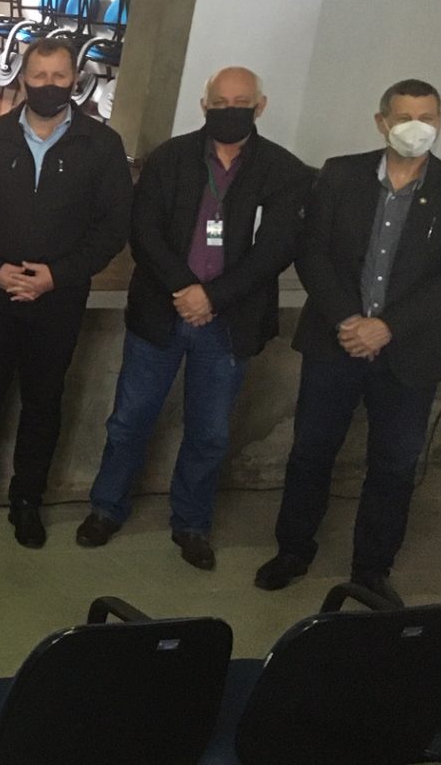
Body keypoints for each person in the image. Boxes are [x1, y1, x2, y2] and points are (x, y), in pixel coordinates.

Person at [256, 79, 441, 602]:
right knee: (311, 452)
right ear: (382, 122)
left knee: (394, 466)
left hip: (410, 351)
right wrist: (348, 319)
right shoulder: (340, 175)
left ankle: (372, 568)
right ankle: (292, 550)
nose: (416, 127)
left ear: (440, 121)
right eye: (404, 117)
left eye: (427, 117)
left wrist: (387, 326)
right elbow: (312, 251)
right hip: (334, 341)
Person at [76, 68, 311, 568]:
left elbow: (275, 250)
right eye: (220, 102)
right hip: (162, 310)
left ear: (261, 106)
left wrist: (213, 297)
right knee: (129, 420)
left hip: (229, 323)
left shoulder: (284, 170)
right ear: (204, 106)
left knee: (210, 433)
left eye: (241, 101)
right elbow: (145, 231)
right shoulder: (169, 158)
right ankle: (106, 508)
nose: (230, 110)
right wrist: (184, 289)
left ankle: (191, 522)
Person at [0, 38, 132, 547]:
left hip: (59, 298)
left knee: (44, 402)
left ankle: (27, 500)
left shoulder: (101, 145)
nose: (49, 84)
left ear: (76, 80)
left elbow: (112, 228)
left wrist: (58, 275)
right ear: (23, 78)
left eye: (59, 76)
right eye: (40, 75)